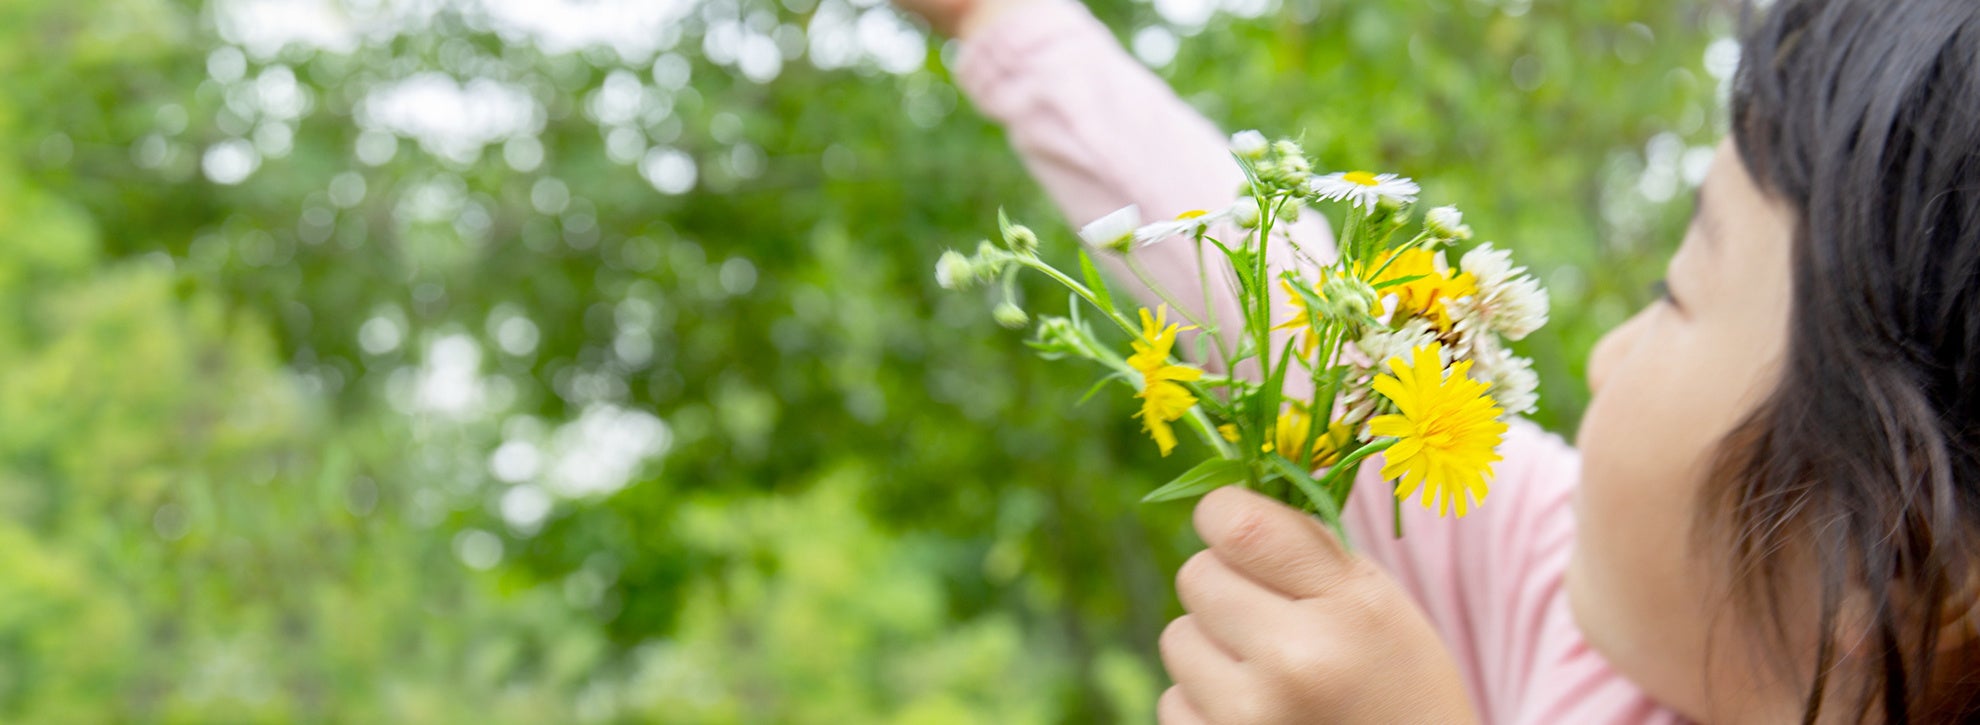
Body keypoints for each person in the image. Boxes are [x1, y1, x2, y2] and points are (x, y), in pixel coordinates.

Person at [892, 0, 1980, 721]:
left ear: (1906, 556)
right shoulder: (1568, 603)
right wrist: (1007, 22)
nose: (1602, 356)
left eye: (1674, 294)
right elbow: (1273, 301)